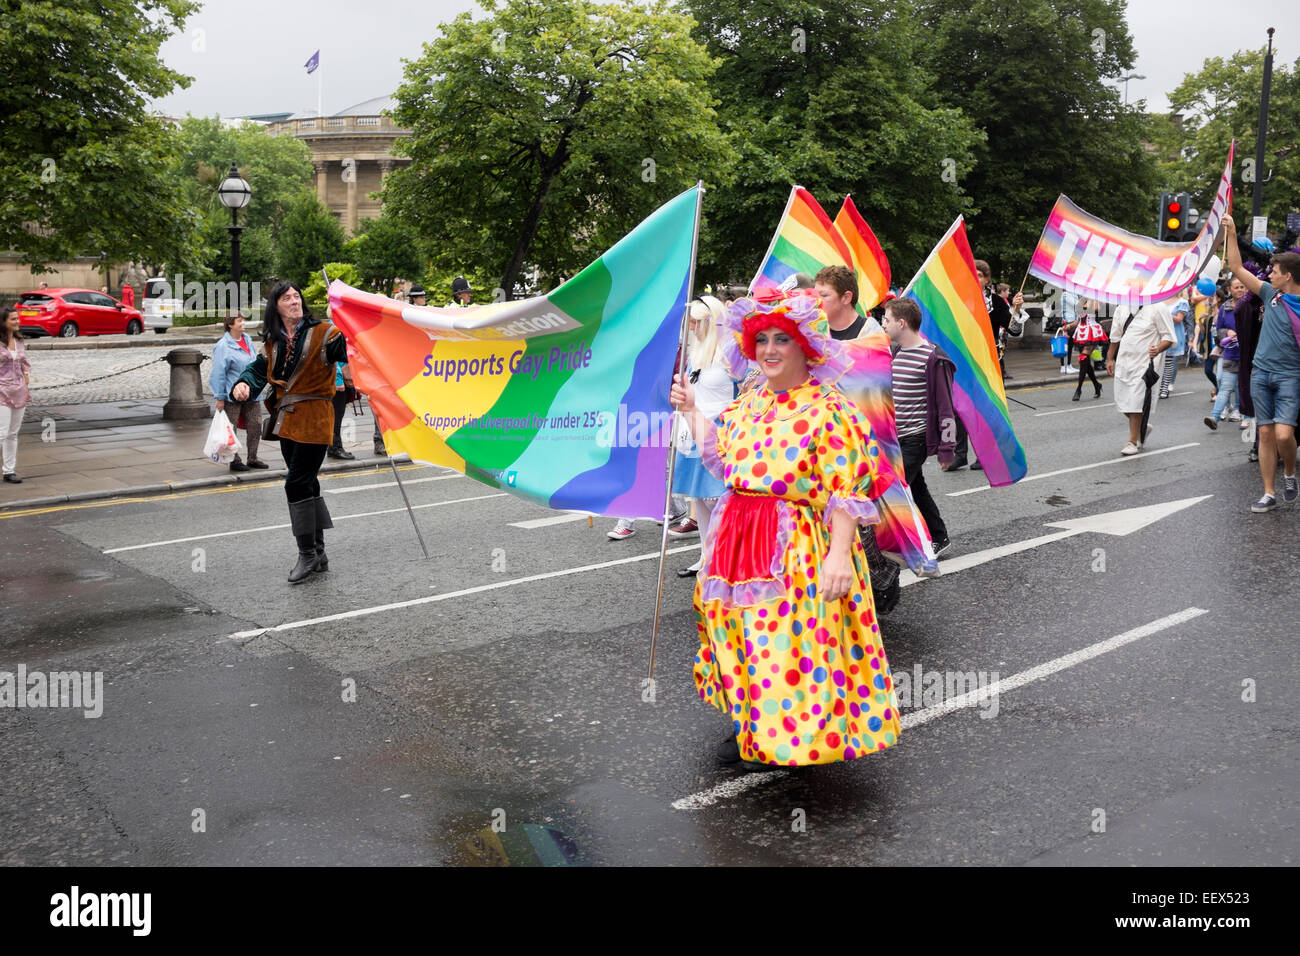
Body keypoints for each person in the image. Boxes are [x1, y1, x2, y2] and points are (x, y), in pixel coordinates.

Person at [670, 294, 902, 769]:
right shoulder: (749, 401)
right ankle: (751, 727)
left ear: (804, 346)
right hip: (735, 534)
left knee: (785, 641)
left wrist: (839, 555)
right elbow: (723, 459)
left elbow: (844, 489)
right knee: (736, 633)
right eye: (761, 340)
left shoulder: (828, 408)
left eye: (781, 339)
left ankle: (787, 738)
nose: (770, 349)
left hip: (794, 540)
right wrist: (693, 410)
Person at [230, 281, 348, 582]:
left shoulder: (325, 332)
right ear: (276, 306)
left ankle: (306, 554)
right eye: (287, 298)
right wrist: (243, 384)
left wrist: (351, 325)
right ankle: (319, 552)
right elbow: (257, 370)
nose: (294, 301)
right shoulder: (274, 341)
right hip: (287, 421)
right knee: (308, 483)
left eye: (297, 296)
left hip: (316, 419)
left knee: (295, 484)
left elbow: (346, 349)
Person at [813, 265, 903, 612]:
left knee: (864, 523)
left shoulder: (872, 336)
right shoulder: (816, 336)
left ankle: (882, 574)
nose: (818, 301)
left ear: (846, 297)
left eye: (824, 295)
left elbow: (876, 393)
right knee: (829, 518)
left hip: (865, 446)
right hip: (824, 444)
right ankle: (844, 589)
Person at [1221, 214, 1300, 511]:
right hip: (1260, 373)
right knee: (1265, 433)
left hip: (1290, 375)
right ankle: (1269, 492)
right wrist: (1230, 233)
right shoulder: (1270, 295)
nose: (1269, 274)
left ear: (1288, 276)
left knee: (1284, 434)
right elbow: (1237, 267)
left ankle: (1289, 473)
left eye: (1275, 271)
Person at [881, 296, 956, 554]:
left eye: (887, 320)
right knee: (916, 487)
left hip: (916, 437)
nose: (883, 325)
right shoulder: (896, 351)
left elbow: (946, 407)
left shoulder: (932, 358)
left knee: (892, 492)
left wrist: (948, 449)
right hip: (895, 437)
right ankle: (939, 536)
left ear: (901, 323)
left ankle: (892, 548)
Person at [670, 296, 733, 577]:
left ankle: (723, 558)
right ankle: (706, 557)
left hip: (720, 431)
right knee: (700, 500)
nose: (693, 327)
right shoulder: (695, 355)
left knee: (717, 500)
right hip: (692, 431)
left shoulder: (730, 353)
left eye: (697, 321)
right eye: (691, 321)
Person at [1105, 300, 1175, 456]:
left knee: (1136, 400)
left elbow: (1169, 337)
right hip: (1124, 361)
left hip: (1146, 362)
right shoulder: (1121, 308)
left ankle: (1132, 441)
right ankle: (1142, 427)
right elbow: (1115, 337)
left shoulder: (1158, 307)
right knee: (1123, 402)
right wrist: (1110, 358)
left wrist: (1158, 348)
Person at [210, 312, 267, 472]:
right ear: (230, 325)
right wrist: (219, 397)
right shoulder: (222, 346)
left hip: (252, 391)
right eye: (239, 321)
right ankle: (234, 460)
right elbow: (218, 373)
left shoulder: (247, 339)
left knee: (255, 425)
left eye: (243, 320)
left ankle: (253, 458)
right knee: (231, 428)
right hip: (232, 394)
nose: (243, 323)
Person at [1204, 282, 1243, 429]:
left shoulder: (1251, 306)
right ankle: (1214, 417)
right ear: (1230, 290)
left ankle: (1239, 411)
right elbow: (1218, 329)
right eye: (1236, 287)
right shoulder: (1224, 309)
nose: (1240, 289)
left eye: (1242, 287)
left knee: (1241, 386)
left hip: (1247, 355)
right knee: (1225, 385)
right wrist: (1227, 332)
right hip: (1230, 353)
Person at [1, 308, 32, 484]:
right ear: (3, 322)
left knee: (13, 433)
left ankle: (9, 471)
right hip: (1, 392)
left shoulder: (19, 340)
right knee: (2, 432)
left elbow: (23, 362)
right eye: (13, 319)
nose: (17, 321)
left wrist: (26, 374)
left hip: (19, 391)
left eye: (17, 318)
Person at [1071, 306, 1106, 401]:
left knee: (1083, 357)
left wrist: (1088, 300)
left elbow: (1096, 308)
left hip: (1092, 332)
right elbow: (1078, 321)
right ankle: (1097, 385)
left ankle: (1078, 389)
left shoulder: (1093, 296)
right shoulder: (1081, 299)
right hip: (1081, 333)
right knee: (1085, 363)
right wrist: (1068, 326)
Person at [1161, 296, 1191, 399]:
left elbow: (1179, 319)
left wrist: (1165, 315)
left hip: (1174, 334)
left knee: (1168, 361)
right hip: (1159, 333)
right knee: (1158, 362)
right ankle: (1158, 387)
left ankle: (1164, 388)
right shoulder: (1159, 300)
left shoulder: (1181, 302)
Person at [328, 361, 356, 460]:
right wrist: (338, 380)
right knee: (336, 417)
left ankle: (333, 447)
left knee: (335, 416)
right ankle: (335, 448)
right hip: (336, 381)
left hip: (336, 378)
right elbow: (335, 360)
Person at [1058, 291, 1079, 374]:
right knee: (1065, 346)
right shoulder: (1066, 294)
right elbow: (1076, 305)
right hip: (1067, 322)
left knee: (1070, 346)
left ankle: (1069, 365)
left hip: (1073, 322)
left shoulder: (1073, 294)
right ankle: (1063, 366)